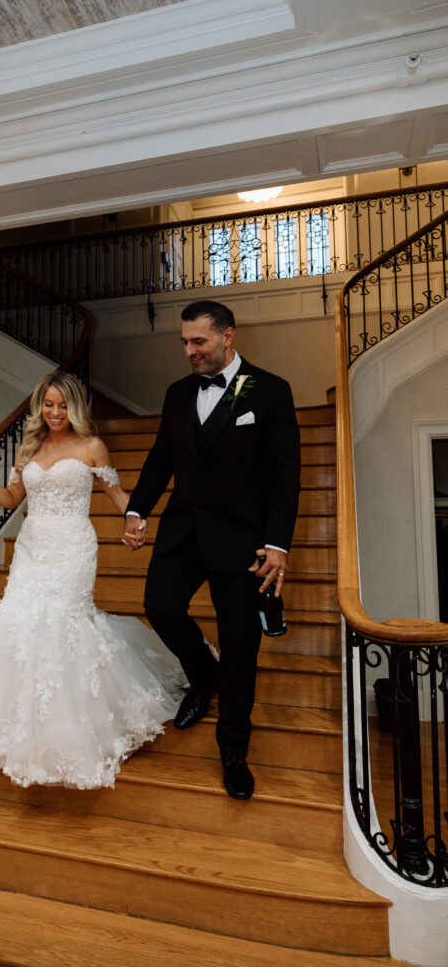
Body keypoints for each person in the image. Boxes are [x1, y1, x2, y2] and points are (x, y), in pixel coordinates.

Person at [0, 370, 186, 789]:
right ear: (40, 406)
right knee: (13, 624)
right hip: (31, 548)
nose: (55, 412)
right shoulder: (29, 448)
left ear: (75, 408)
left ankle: (74, 731)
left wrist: (144, 520)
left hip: (73, 548)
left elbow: (120, 498)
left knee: (63, 627)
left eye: (63, 405)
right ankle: (22, 734)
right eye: (49, 404)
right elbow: (12, 498)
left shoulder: (92, 447)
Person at [122, 300, 301, 800]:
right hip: (182, 534)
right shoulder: (179, 394)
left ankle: (233, 751)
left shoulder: (270, 392)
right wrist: (138, 510)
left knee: (242, 647)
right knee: (159, 605)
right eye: (184, 342)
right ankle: (204, 676)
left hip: (244, 544)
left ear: (227, 336)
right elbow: (161, 458)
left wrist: (277, 545)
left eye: (198, 341)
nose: (189, 351)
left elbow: (285, 477)